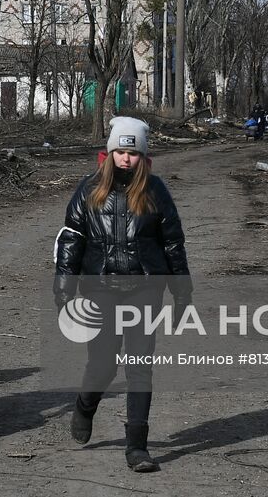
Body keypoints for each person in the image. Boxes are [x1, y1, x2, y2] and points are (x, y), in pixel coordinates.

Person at [54, 116, 191, 473]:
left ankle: (137, 447)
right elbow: (72, 236)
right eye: (120, 151)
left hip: (145, 288)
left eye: (132, 152)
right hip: (100, 288)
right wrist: (64, 283)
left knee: (139, 367)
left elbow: (173, 242)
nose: (126, 159)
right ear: (110, 151)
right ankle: (85, 405)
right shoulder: (88, 189)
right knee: (102, 364)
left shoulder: (155, 191)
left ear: (142, 155)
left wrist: (181, 291)